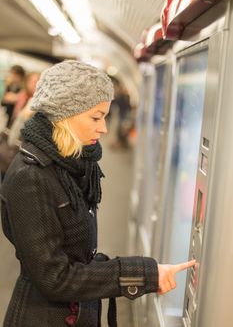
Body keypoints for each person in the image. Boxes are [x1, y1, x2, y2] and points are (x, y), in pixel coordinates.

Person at [0, 60, 195, 327]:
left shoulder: (72, 164)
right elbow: (55, 277)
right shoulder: (30, 177)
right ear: (64, 114)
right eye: (95, 117)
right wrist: (143, 274)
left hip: (75, 311)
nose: (103, 128)